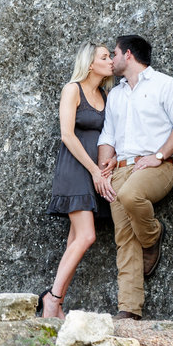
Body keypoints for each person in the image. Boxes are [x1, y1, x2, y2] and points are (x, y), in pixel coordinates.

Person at [97, 34, 173, 320]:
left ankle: (152, 236)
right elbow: (108, 137)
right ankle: (129, 308)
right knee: (123, 238)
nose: (111, 60)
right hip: (121, 169)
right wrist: (105, 163)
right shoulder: (115, 94)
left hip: (156, 167)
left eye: (113, 54)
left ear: (128, 55)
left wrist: (160, 155)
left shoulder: (166, 85)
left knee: (131, 195)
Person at [41, 42, 117, 319]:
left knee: (75, 240)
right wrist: (94, 170)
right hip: (75, 169)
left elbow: (111, 135)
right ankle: (52, 299)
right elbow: (67, 135)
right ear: (89, 62)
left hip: (96, 171)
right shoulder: (72, 89)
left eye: (111, 56)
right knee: (87, 236)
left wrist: (111, 160)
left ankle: (55, 305)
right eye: (105, 57)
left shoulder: (106, 94)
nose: (111, 61)